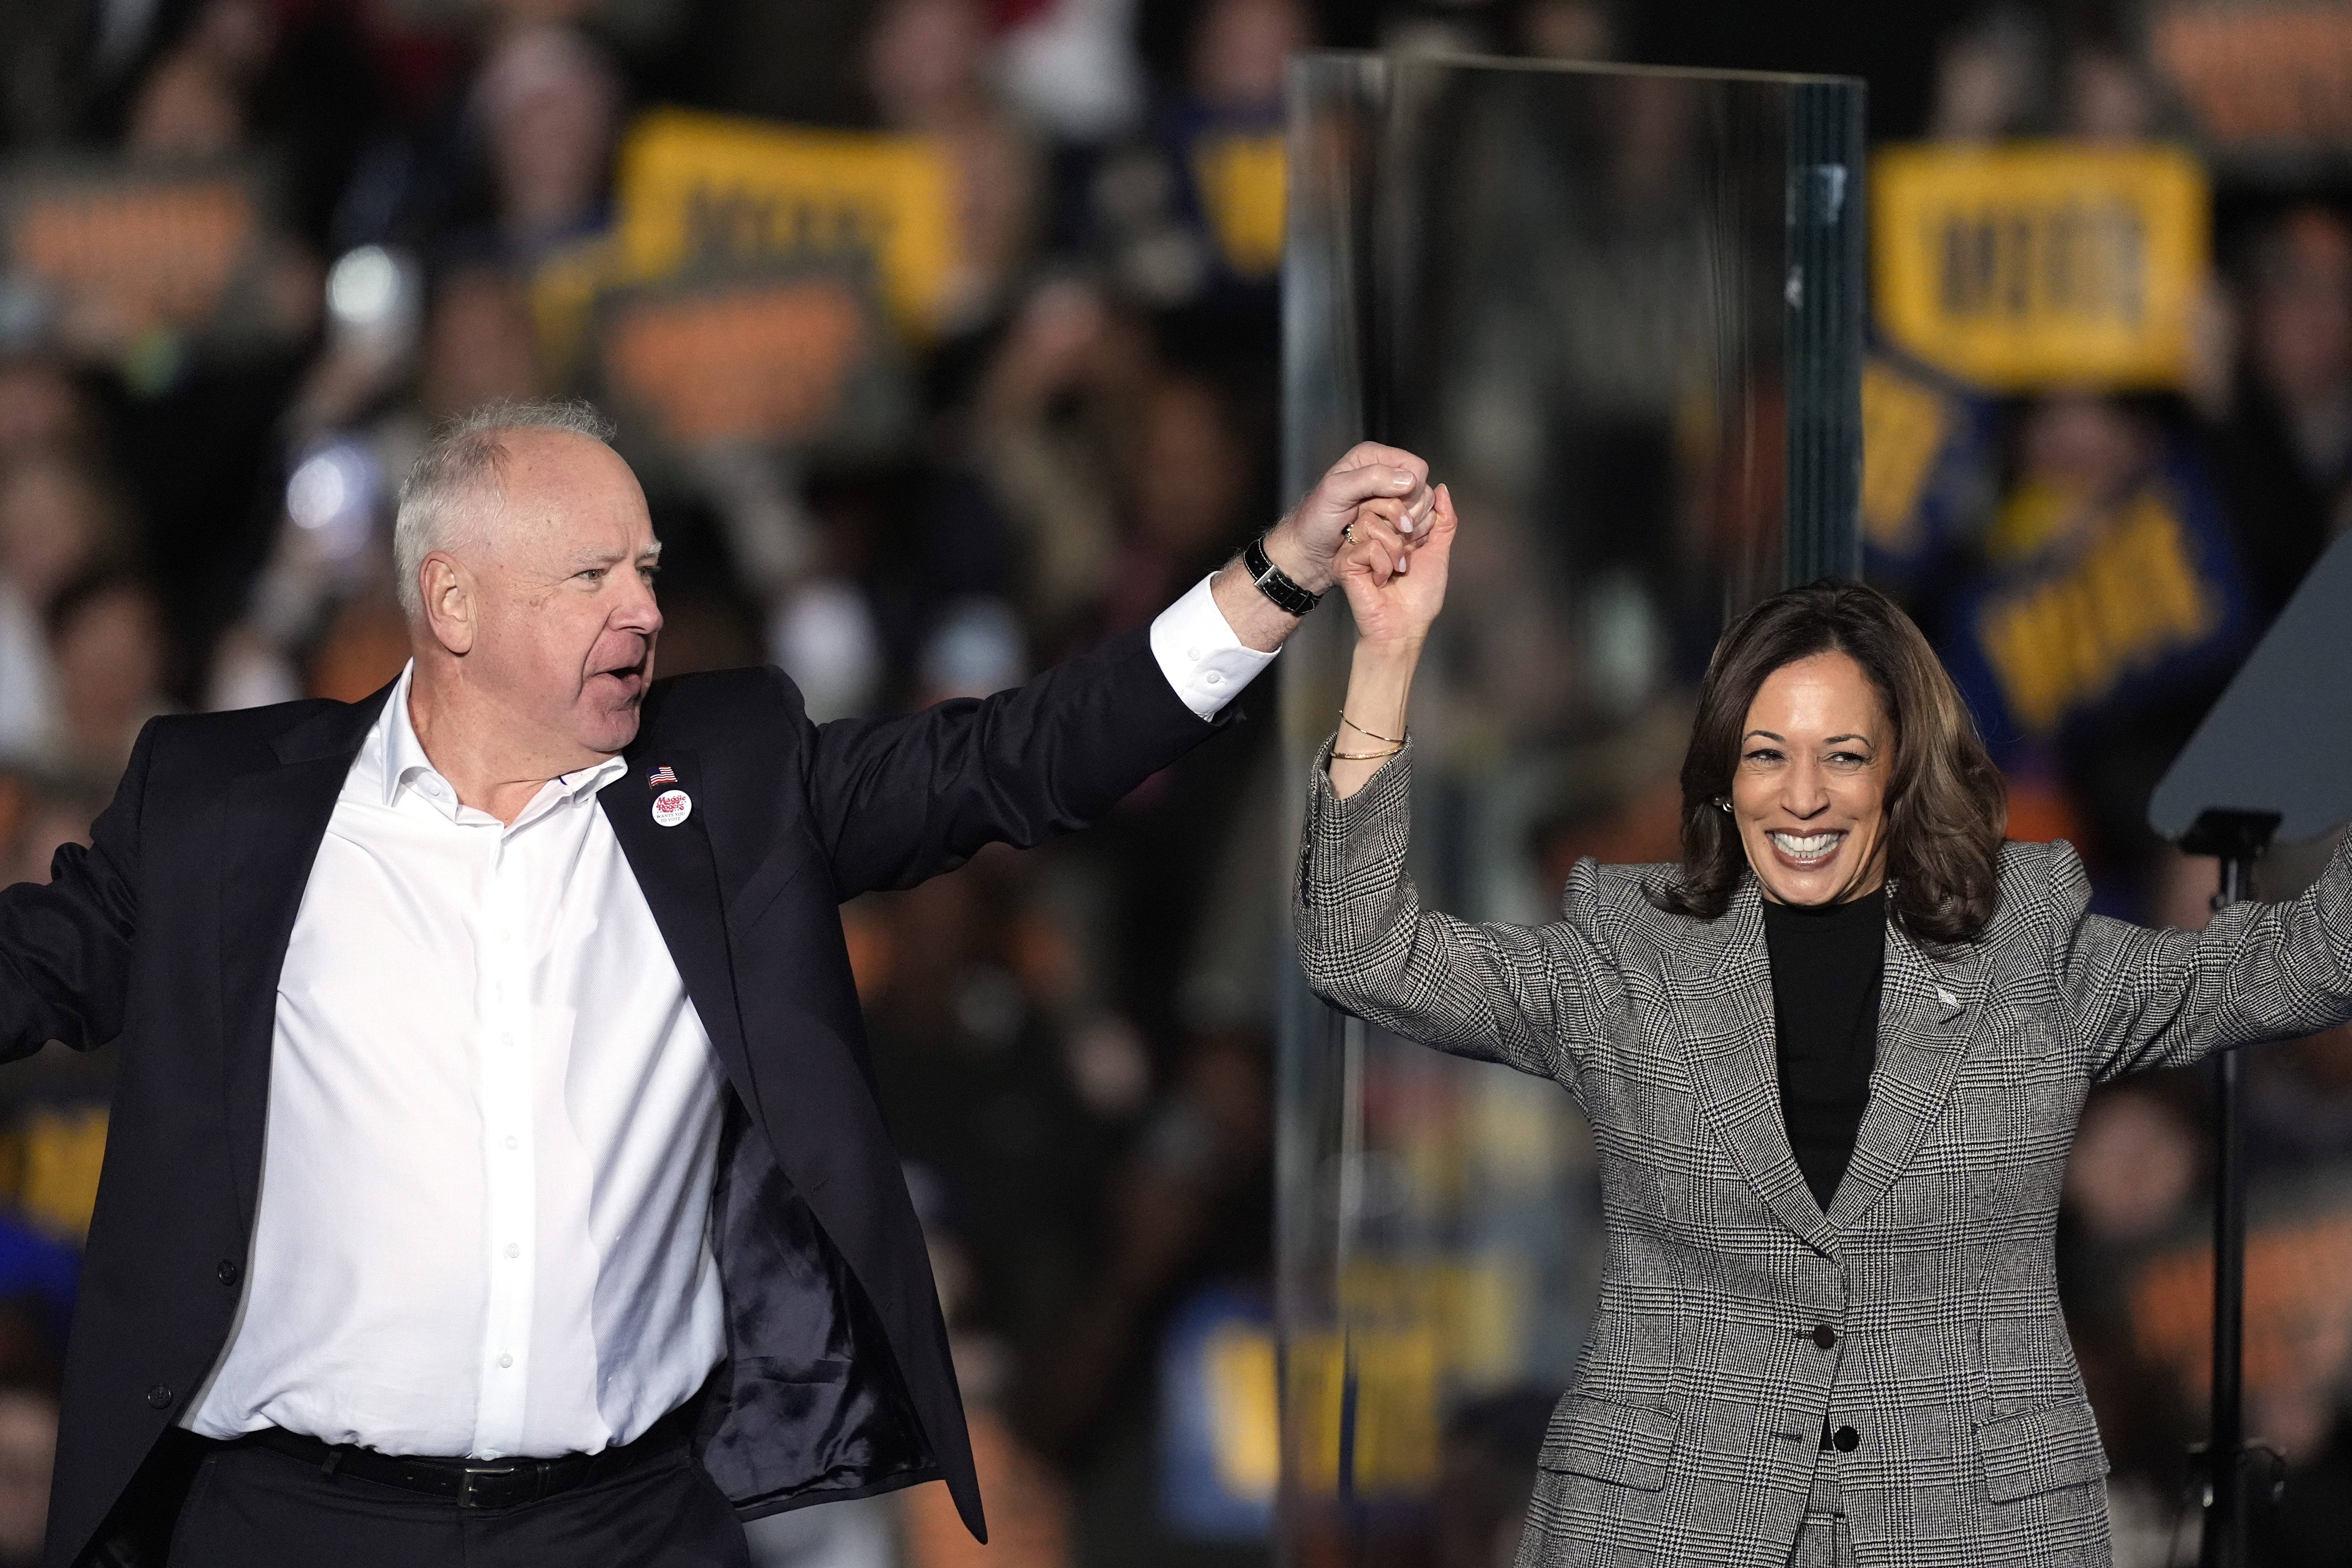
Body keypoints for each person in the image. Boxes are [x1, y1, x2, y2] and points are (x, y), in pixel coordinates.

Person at [0, 398, 1433, 1568]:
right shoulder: (229, 810)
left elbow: (1026, 755)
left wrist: (1285, 571)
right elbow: (36, 965)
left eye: (650, 571)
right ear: (451, 602)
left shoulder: (732, 783)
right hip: (291, 1532)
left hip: (625, 1529)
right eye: (592, 576)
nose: (643, 609)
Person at [1293, 487, 2352, 1567]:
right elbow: (1364, 953)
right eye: (1767, 755)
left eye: (1844, 755)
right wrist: (1386, 659)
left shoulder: (2031, 956)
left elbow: (2311, 964)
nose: (1803, 797)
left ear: (1904, 771)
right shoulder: (1629, 963)